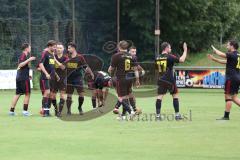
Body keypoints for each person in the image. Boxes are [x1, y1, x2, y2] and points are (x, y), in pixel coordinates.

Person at [208, 40, 240, 120]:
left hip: (231, 78)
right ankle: (226, 116)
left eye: (228, 45)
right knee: (234, 97)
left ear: (232, 46)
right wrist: (214, 59)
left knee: (228, 96)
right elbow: (225, 62)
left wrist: (214, 49)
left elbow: (221, 55)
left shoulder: (232, 54)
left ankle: (226, 116)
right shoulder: (237, 55)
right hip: (237, 77)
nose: (227, 46)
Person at [155, 42, 187, 120]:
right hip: (169, 78)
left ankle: (158, 116)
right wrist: (185, 50)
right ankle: (177, 115)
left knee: (159, 97)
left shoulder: (158, 57)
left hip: (161, 79)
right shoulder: (169, 56)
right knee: (175, 95)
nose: (170, 49)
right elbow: (182, 60)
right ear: (166, 48)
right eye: (169, 48)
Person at [108, 40, 140, 120]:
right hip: (130, 79)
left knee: (121, 97)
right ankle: (123, 115)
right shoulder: (132, 56)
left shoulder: (116, 56)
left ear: (119, 47)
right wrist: (137, 80)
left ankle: (131, 112)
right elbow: (136, 69)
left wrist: (110, 74)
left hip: (121, 79)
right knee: (127, 96)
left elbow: (111, 69)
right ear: (127, 48)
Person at [113, 45, 144, 115]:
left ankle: (126, 111)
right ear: (128, 51)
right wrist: (141, 71)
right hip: (121, 79)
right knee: (125, 96)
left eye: (135, 51)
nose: (134, 53)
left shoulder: (133, 57)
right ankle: (129, 110)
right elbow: (136, 68)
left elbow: (136, 68)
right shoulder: (131, 57)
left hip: (126, 79)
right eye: (133, 51)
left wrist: (137, 78)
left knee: (128, 95)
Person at [65, 42, 94, 115]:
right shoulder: (66, 57)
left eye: (69, 48)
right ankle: (68, 110)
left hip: (78, 78)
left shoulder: (80, 57)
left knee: (81, 94)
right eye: (67, 48)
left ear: (73, 48)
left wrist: (91, 73)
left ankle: (80, 107)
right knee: (69, 95)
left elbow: (85, 66)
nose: (68, 49)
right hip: (69, 78)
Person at [9, 43, 36, 116]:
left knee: (18, 94)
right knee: (27, 94)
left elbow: (22, 67)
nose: (30, 49)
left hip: (20, 77)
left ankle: (11, 111)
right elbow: (20, 65)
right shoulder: (23, 55)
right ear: (26, 48)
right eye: (29, 48)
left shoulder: (24, 56)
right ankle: (25, 112)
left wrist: (28, 75)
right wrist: (29, 60)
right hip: (23, 78)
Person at [39, 40, 57, 117]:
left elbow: (52, 67)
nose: (55, 48)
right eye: (54, 47)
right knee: (47, 92)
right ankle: (44, 110)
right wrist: (46, 73)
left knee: (50, 94)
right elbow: (40, 64)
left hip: (51, 78)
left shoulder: (52, 54)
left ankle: (47, 111)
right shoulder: (45, 53)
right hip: (45, 77)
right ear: (49, 46)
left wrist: (56, 75)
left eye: (55, 46)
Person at [50, 42, 68, 117]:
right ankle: (56, 109)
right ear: (55, 49)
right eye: (57, 48)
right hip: (54, 78)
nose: (59, 49)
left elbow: (63, 67)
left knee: (62, 95)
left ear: (63, 49)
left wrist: (55, 60)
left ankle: (60, 111)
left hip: (63, 78)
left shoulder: (66, 58)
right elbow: (52, 67)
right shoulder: (51, 57)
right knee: (53, 96)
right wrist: (55, 62)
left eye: (60, 48)